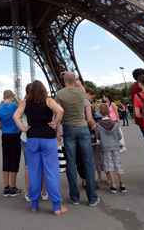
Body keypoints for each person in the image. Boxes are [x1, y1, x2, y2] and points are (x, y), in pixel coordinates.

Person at [14, 81, 67, 215]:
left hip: (32, 139)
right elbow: (60, 110)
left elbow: (15, 117)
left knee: (34, 172)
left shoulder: (25, 102)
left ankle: (34, 204)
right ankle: (56, 206)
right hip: (48, 139)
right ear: (43, 90)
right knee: (51, 172)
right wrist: (55, 123)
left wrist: (23, 128)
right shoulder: (48, 100)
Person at [57, 71, 99, 207]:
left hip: (68, 129)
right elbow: (88, 113)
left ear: (64, 81)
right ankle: (92, 198)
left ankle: (74, 197)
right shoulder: (82, 92)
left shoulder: (60, 94)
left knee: (71, 163)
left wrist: (58, 132)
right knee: (88, 162)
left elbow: (58, 113)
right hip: (83, 128)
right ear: (74, 80)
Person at [96, 104, 127, 193]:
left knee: (108, 165)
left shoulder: (99, 125)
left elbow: (98, 137)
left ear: (100, 113)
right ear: (109, 112)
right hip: (115, 146)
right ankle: (122, 184)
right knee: (117, 164)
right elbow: (119, 136)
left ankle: (113, 184)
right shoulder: (115, 124)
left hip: (105, 147)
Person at [0, 90, 21, 197]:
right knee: (14, 161)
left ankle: (6, 187)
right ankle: (13, 187)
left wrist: (5, 128)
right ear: (11, 97)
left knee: (6, 160)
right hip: (15, 135)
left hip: (5, 135)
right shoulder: (15, 106)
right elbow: (22, 108)